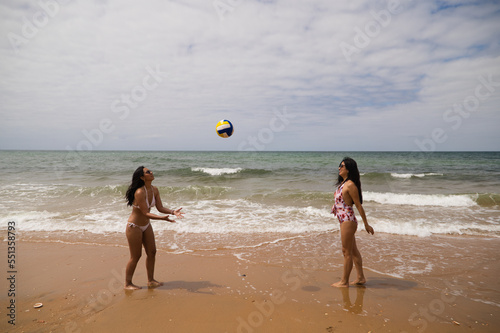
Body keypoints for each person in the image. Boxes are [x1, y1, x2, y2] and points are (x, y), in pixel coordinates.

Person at [124, 166, 184, 290]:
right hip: (134, 226)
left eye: (150, 171)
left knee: (152, 252)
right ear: (142, 177)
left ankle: (150, 280)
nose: (151, 173)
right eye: (148, 172)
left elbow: (160, 207)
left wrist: (173, 212)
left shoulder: (154, 189)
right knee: (135, 256)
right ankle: (128, 284)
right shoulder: (140, 192)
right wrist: (162, 218)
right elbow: (145, 212)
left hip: (146, 225)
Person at [331, 157, 374, 288]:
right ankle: (361, 277)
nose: (339, 167)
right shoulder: (343, 184)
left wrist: (366, 224)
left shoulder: (350, 185)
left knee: (346, 252)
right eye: (339, 165)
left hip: (348, 221)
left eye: (342, 166)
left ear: (349, 169)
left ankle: (344, 282)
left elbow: (359, 206)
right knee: (353, 251)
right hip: (344, 220)